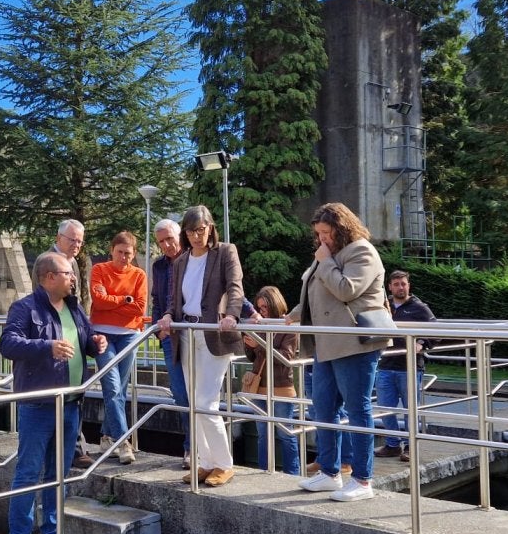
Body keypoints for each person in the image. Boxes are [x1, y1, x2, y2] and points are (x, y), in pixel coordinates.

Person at [0, 251, 107, 534]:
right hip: (38, 405)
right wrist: (46, 347)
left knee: (58, 475)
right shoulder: (25, 308)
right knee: (28, 474)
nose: (73, 277)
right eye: (67, 273)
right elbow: (8, 344)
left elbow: (84, 341)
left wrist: (95, 343)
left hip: (71, 405)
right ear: (48, 277)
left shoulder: (74, 308)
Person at [291, 202, 388, 502]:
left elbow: (346, 290)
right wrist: (293, 315)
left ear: (342, 228)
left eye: (326, 232)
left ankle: (362, 479)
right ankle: (329, 472)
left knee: (358, 410)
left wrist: (326, 262)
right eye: (318, 233)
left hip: (354, 343)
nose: (321, 238)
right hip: (326, 343)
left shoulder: (362, 251)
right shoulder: (328, 255)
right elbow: (317, 297)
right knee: (323, 408)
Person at [156, 205, 243, 488]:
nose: (196, 236)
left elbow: (235, 287)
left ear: (210, 228)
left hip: (213, 333)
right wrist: (168, 315)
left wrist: (232, 315)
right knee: (195, 403)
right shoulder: (181, 260)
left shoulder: (225, 252)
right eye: (191, 231)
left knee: (206, 402)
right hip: (186, 333)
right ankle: (205, 462)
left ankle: (224, 464)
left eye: (201, 230)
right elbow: (174, 298)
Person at [90, 231, 147, 465]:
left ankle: (106, 436)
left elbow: (140, 308)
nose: (124, 257)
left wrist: (112, 302)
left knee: (120, 388)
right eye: (120, 252)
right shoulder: (99, 270)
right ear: (111, 250)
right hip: (102, 334)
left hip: (129, 335)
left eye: (128, 254)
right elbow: (98, 300)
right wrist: (125, 300)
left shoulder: (139, 275)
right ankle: (123, 441)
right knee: (112, 386)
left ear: (133, 255)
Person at [375, 270, 436, 464]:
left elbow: (436, 331)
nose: (401, 287)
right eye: (396, 284)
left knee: (411, 410)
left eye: (404, 284)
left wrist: (423, 343)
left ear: (409, 286)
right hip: (385, 365)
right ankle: (393, 445)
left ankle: (411, 446)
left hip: (410, 367)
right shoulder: (384, 307)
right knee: (386, 408)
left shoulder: (420, 308)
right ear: (390, 287)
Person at [50, 218, 96, 465]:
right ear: (59, 238)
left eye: (80, 241)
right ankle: (72, 449)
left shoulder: (74, 264)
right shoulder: (48, 261)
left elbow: (76, 303)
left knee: (77, 389)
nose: (77, 245)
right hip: (56, 336)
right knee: (60, 393)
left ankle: (76, 448)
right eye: (72, 240)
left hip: (74, 333)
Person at [242, 286, 301, 474]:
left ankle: (292, 473)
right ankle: (264, 471)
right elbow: (254, 358)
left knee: (285, 433)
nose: (262, 311)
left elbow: (286, 358)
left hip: (282, 385)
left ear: (274, 303)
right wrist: (248, 341)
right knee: (262, 434)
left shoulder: (288, 325)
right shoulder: (261, 323)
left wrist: (258, 345)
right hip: (260, 386)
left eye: (265, 306)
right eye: (259, 307)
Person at [150, 218, 191, 465]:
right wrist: (158, 329)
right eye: (161, 241)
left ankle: (195, 449)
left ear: (179, 236)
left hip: (194, 333)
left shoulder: (194, 259)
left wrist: (249, 313)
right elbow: (157, 299)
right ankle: (191, 446)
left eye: (170, 239)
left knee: (198, 395)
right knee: (179, 393)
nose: (166, 244)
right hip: (169, 336)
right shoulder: (159, 266)